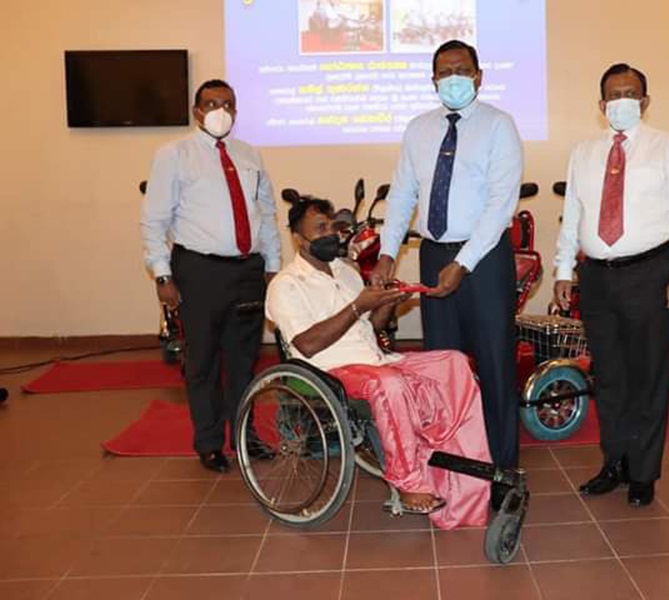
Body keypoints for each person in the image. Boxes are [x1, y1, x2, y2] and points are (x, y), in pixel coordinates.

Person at [266, 197, 491, 530]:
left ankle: (459, 469)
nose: (332, 234)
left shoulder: (347, 272)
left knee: (454, 364)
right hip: (328, 371)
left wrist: (387, 301)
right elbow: (308, 344)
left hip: (375, 359)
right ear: (299, 238)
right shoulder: (286, 285)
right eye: (321, 229)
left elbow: (370, 328)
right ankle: (407, 480)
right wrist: (358, 306)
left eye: (333, 227)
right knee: (388, 383)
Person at [370, 40, 523, 508]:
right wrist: (388, 252)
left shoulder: (499, 126)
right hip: (434, 254)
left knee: (495, 367)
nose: (452, 78)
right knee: (441, 371)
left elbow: (501, 205)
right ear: (433, 79)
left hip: (484, 258)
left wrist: (464, 262)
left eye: (461, 70)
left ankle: (501, 471)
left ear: (479, 76)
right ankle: (453, 466)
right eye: (443, 72)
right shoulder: (418, 130)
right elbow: (401, 196)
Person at [554, 63, 669, 507]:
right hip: (597, 277)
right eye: (613, 95)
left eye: (630, 93)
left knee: (649, 378)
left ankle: (644, 472)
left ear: (645, 101)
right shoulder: (583, 152)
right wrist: (564, 270)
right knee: (611, 378)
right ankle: (614, 462)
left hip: (649, 274)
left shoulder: (666, 149)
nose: (622, 101)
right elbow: (574, 218)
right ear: (601, 106)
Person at [141, 79, 281, 473]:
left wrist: (272, 265)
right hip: (198, 270)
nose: (221, 110)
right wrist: (162, 275)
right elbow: (154, 220)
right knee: (201, 361)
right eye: (211, 103)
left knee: (243, 360)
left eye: (228, 103)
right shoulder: (174, 155)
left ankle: (244, 436)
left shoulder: (250, 154)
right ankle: (208, 443)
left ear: (236, 111)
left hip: (248, 270)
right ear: (196, 111)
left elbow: (266, 213)